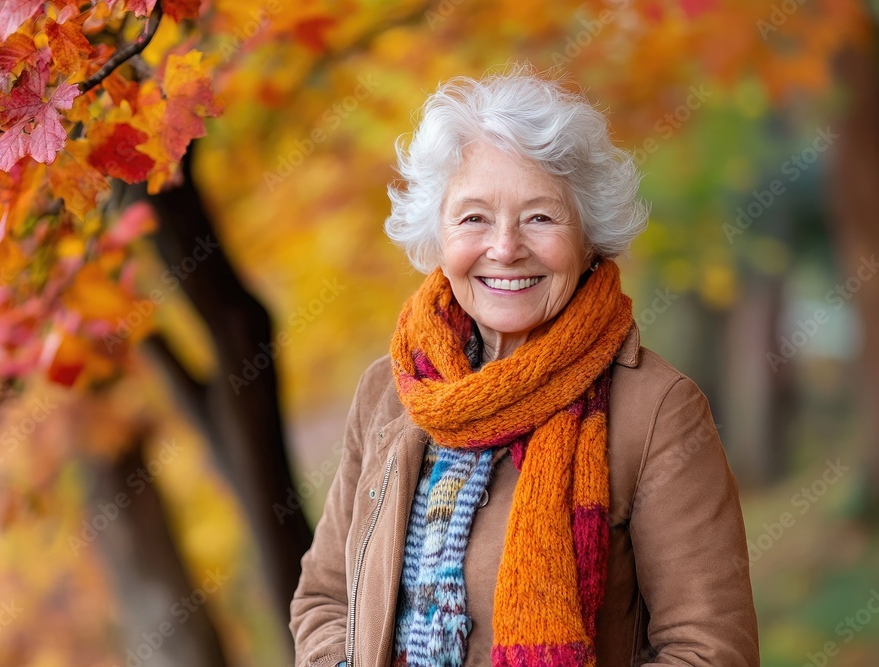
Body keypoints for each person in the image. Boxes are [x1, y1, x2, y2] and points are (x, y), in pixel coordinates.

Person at [290, 64, 759, 667]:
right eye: (474, 217)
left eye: (540, 216)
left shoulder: (658, 410)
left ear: (589, 234)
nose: (505, 247)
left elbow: (709, 650)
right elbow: (325, 600)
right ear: (438, 231)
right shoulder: (388, 391)